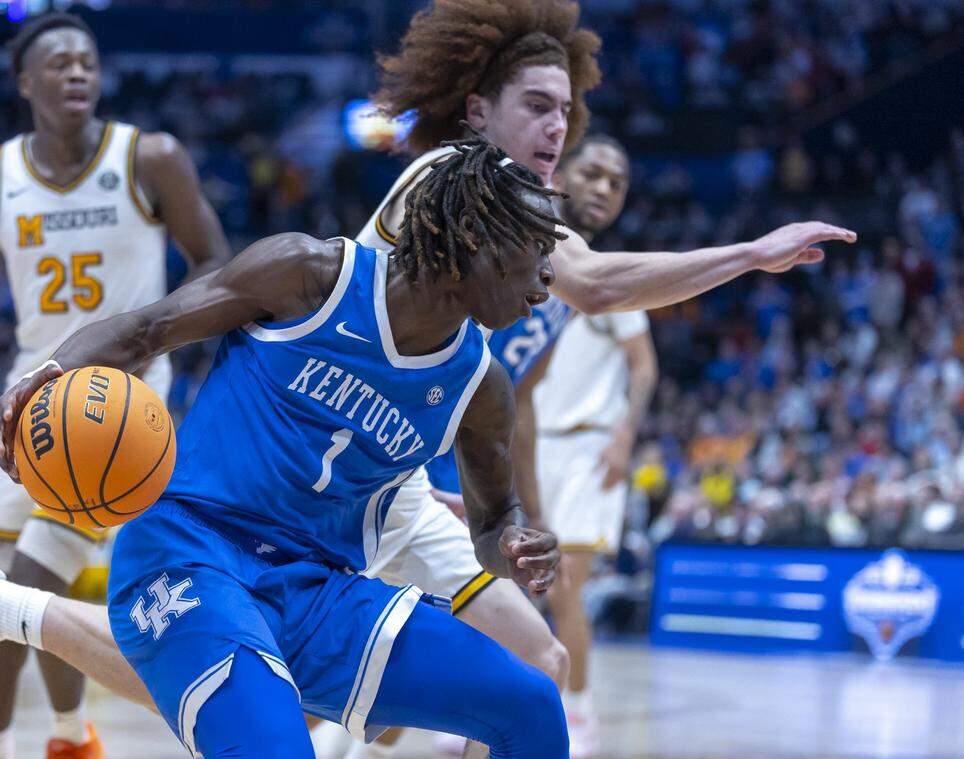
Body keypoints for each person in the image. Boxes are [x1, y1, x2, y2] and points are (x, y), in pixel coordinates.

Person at [0, 137, 572, 758]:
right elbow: (148, 328)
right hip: (188, 548)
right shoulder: (310, 275)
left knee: (532, 705)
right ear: (475, 236)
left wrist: (513, 541)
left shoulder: (480, 387)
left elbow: (492, 520)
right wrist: (48, 372)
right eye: (537, 250)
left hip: (319, 589)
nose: (547, 279)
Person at [332, 1, 853, 755]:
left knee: (532, 665)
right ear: (478, 112)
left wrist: (497, 507)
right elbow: (598, 282)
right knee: (358, 708)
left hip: (398, 471)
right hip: (325, 451)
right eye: (537, 107)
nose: (556, 127)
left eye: (565, 112)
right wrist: (751, 252)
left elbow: (518, 396)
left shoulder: (527, 243)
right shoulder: (450, 176)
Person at [0, 12, 230, 759]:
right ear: (25, 83)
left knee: (25, 582)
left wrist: (154, 336)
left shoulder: (151, 157)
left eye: (88, 61)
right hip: (30, 394)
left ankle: (26, 745)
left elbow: (215, 263)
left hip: (117, 401)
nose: (78, 72)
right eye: (59, 64)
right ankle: (62, 737)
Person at [538, 134, 656, 755]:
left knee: (564, 589)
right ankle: (492, 712)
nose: (605, 188)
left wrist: (623, 438)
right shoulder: (527, 260)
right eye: (594, 173)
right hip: (525, 448)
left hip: (586, 449)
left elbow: (644, 367)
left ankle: (579, 712)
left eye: (618, 182)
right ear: (560, 175)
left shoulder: (612, 280)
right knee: (497, 587)